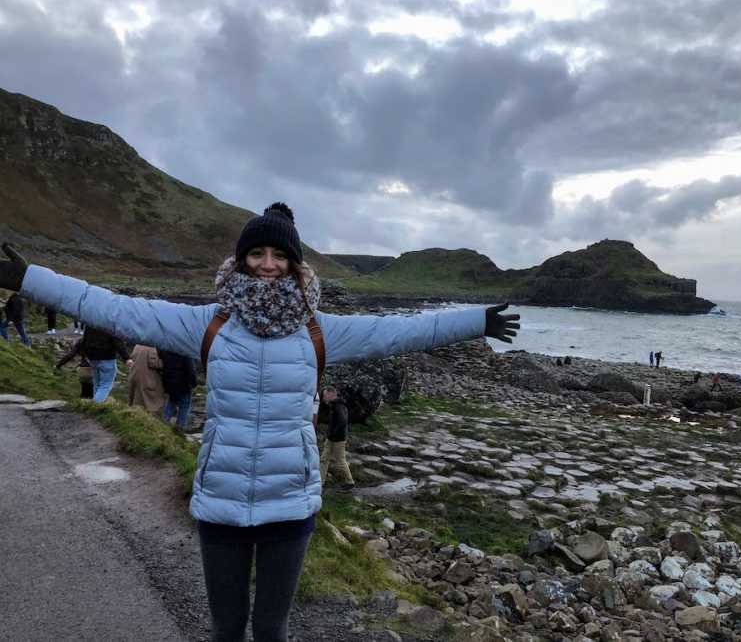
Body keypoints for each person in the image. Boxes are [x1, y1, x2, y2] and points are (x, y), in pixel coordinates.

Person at [0, 202, 520, 642]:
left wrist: (475, 321)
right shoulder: (209, 323)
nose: (268, 264)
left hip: (290, 508)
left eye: (279, 255)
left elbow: (398, 332)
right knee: (226, 630)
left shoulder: (320, 332)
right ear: (242, 260)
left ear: (295, 266)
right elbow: (112, 307)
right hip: (220, 505)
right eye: (257, 253)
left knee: (272, 631)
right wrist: (30, 279)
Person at [80, 326, 132, 402]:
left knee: (97, 384)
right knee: (105, 385)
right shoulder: (109, 324)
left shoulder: (90, 323)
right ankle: (95, 406)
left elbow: (84, 340)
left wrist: (86, 355)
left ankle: (95, 405)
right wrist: (127, 358)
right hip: (107, 358)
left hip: (92, 358)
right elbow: (118, 342)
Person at [318, 386, 353, 490]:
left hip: (338, 439)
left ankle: (350, 481)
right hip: (331, 438)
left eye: (325, 395)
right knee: (324, 459)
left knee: (340, 460)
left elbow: (342, 421)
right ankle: (320, 482)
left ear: (331, 394)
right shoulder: (333, 405)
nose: (324, 398)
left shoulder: (339, 406)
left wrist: (332, 433)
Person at [158, 349, 197, 430]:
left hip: (169, 384)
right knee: (184, 406)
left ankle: (162, 424)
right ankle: (179, 429)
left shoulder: (166, 350)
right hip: (183, 385)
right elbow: (191, 370)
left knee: (171, 402)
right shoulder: (185, 352)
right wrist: (194, 384)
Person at [128, 344, 167, 417]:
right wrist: (164, 362)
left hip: (134, 375)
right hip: (146, 377)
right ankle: (149, 416)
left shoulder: (137, 346)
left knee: (137, 397)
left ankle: (135, 413)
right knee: (152, 399)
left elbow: (132, 357)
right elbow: (153, 363)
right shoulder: (151, 348)